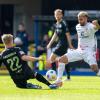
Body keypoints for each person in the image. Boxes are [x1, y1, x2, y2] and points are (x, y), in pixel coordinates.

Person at [57, 11, 100, 85]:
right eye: (78, 19)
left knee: (94, 68)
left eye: (81, 19)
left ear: (86, 18)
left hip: (89, 52)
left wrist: (97, 24)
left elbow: (97, 28)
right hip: (79, 51)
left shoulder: (90, 26)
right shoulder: (77, 26)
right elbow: (80, 35)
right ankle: (58, 81)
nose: (80, 21)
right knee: (61, 60)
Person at [47, 9, 74, 83]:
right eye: (56, 15)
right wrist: (50, 43)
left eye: (59, 14)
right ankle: (68, 77)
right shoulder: (56, 24)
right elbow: (55, 35)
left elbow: (67, 34)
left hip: (63, 44)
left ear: (61, 15)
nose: (57, 16)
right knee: (65, 60)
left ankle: (54, 76)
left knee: (52, 58)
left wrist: (70, 44)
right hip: (60, 43)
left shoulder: (64, 23)